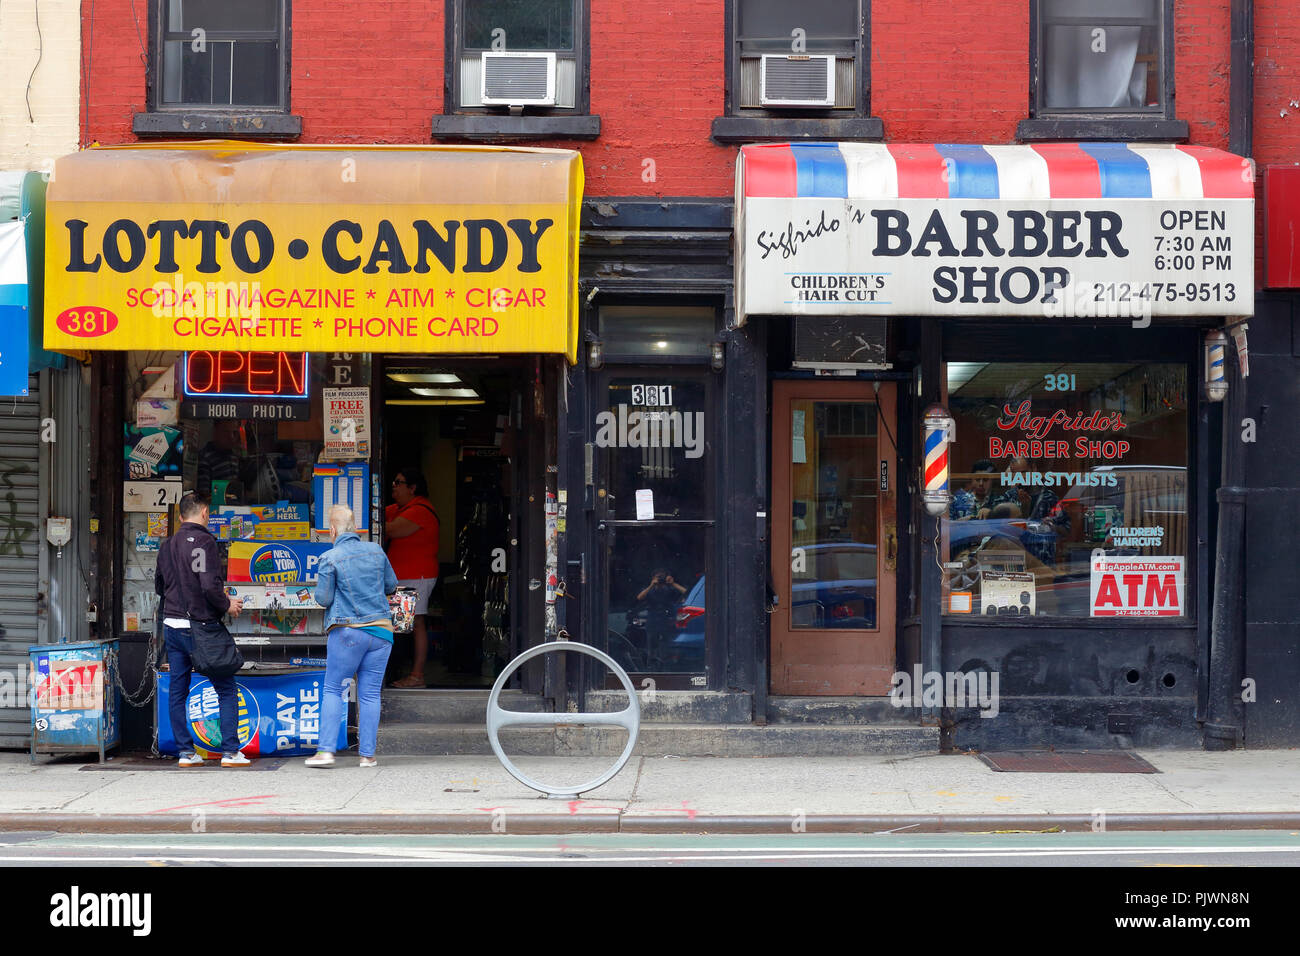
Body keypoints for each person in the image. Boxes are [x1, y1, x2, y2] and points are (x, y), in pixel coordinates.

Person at [154, 492, 248, 768]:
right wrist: (227, 605)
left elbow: (159, 586)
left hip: (172, 626)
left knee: (178, 690)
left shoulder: (167, 545)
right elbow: (208, 586)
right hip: (201, 628)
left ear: (181, 517)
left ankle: (186, 753)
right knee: (226, 687)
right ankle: (230, 752)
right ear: (205, 512)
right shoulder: (206, 541)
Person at [306, 505, 398, 768]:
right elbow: (391, 586)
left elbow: (323, 598)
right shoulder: (377, 551)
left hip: (348, 632)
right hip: (381, 633)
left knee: (334, 689)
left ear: (332, 530)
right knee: (370, 694)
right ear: (356, 528)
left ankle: (325, 752)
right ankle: (367, 756)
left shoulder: (330, 557)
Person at [384, 467, 440, 688]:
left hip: (416, 576)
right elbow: (379, 514)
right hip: (406, 576)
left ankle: (417, 676)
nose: (394, 486)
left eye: (399, 482)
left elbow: (391, 529)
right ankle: (401, 672)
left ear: (412, 487)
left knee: (415, 623)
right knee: (401, 627)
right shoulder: (403, 508)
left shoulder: (420, 510)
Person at [636, 568, 687, 662]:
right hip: (653, 620)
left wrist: (673, 583)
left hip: (667, 619)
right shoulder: (649, 590)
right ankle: (650, 664)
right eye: (658, 577)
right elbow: (639, 597)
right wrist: (651, 585)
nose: (660, 579)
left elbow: (686, 593)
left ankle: (667, 664)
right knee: (651, 646)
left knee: (667, 645)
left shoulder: (670, 589)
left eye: (662, 577)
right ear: (653, 578)